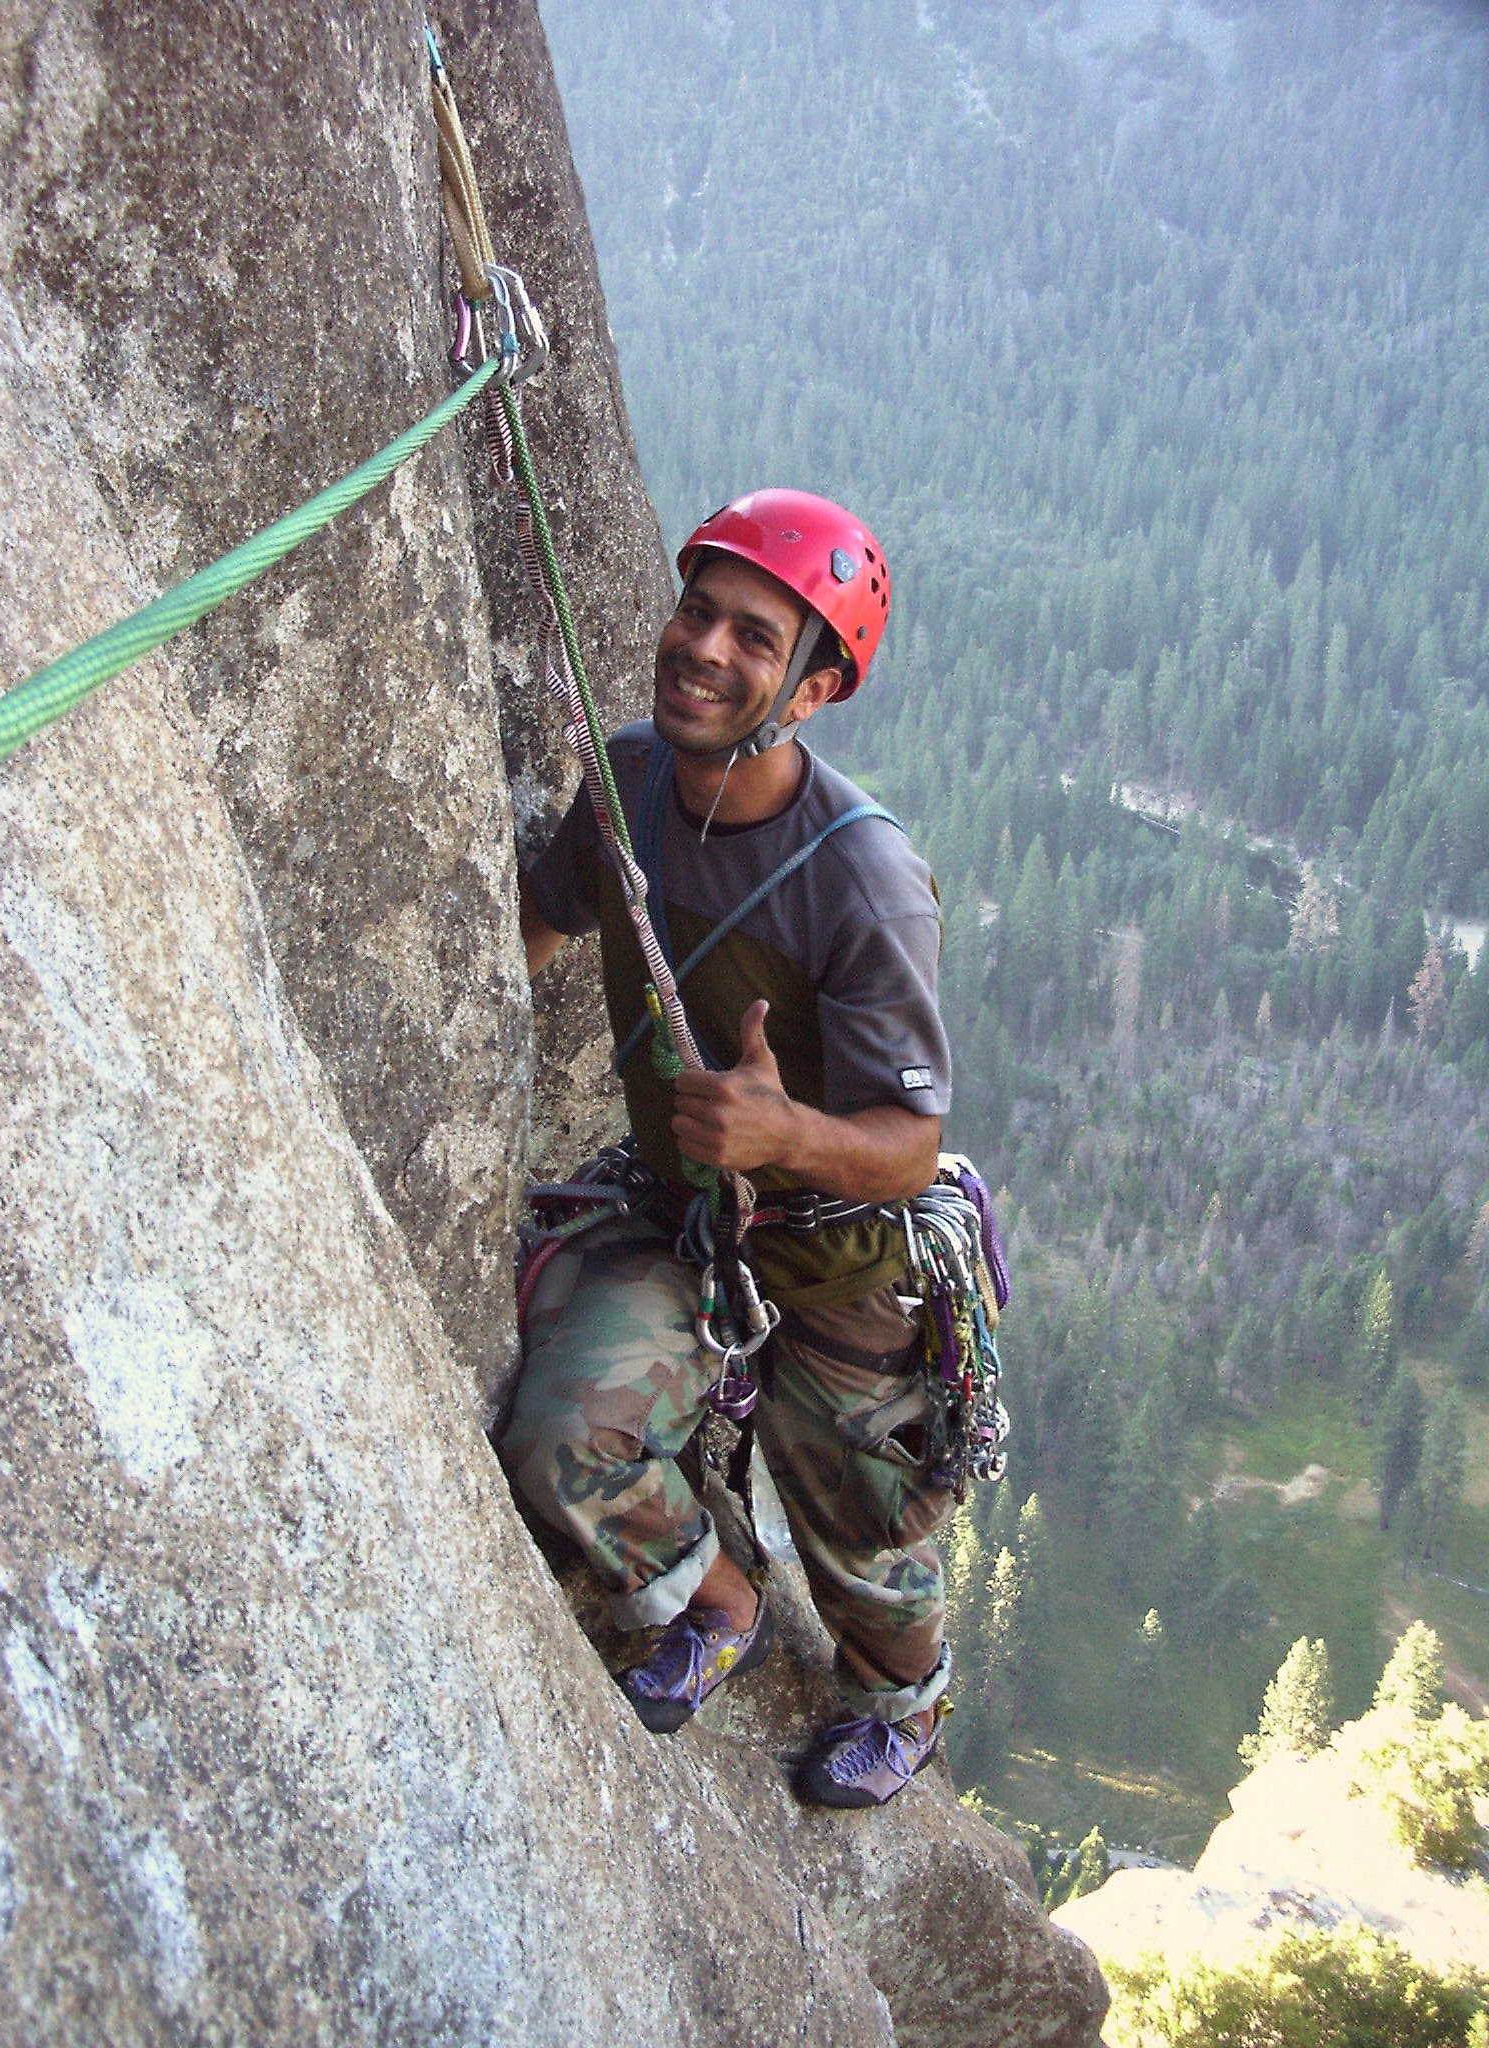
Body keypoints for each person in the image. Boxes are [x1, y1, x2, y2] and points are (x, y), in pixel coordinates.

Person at [501, 488, 957, 1807]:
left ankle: (902, 1703)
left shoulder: (862, 881)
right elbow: (537, 922)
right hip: (687, 1219)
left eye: (755, 638)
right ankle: (716, 1593)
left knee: (866, 1534)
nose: (705, 647)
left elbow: (913, 1147)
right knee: (560, 1438)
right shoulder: (632, 779)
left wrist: (783, 1131)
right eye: (698, 611)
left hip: (839, 1254)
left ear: (813, 691)